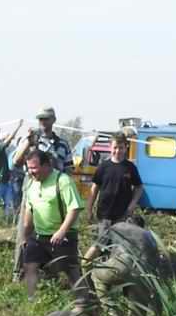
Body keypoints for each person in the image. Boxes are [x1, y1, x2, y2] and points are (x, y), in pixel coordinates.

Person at [12, 107, 74, 281]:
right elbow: (16, 162)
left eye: (46, 119)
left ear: (53, 120)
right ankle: (18, 273)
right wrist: (28, 143)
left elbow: (69, 168)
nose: (43, 122)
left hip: (55, 193)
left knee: (51, 231)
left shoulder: (62, 144)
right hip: (33, 189)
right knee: (25, 230)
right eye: (40, 119)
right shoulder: (30, 140)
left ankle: (50, 273)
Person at [21, 149, 87, 302]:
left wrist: (62, 231)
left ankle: (84, 304)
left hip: (63, 236)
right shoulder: (32, 184)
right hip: (39, 236)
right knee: (30, 264)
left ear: (46, 165)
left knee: (71, 272)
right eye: (29, 168)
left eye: (34, 168)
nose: (31, 172)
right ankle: (32, 300)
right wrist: (25, 235)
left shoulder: (63, 181)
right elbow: (30, 211)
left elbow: (74, 208)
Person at [91, 218, 158, 316]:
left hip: (122, 264)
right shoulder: (151, 237)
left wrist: (84, 266)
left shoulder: (119, 226)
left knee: (95, 275)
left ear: (129, 221)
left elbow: (95, 250)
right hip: (145, 274)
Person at [84, 131, 144, 261]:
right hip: (104, 215)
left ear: (126, 147)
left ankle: (112, 268)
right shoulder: (103, 167)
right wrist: (89, 209)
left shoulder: (130, 167)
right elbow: (94, 189)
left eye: (121, 148)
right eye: (115, 147)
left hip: (122, 216)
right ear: (110, 147)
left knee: (119, 247)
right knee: (99, 245)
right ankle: (84, 266)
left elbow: (139, 187)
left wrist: (132, 205)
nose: (117, 151)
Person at [0, 121, 23, 222]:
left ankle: (8, 222)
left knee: (9, 203)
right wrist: (18, 127)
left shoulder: (3, 150)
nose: (10, 142)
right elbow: (9, 139)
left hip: (5, 182)